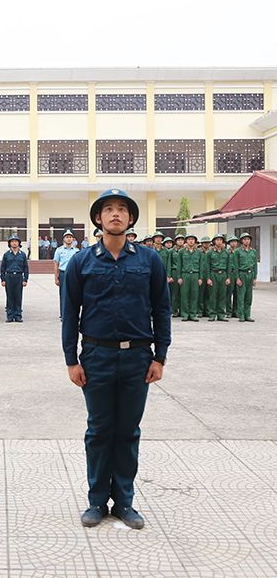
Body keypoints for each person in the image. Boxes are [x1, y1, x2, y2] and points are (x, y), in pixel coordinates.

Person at [62, 188, 171, 530]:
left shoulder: (149, 260)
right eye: (108, 209)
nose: (115, 214)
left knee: (127, 431)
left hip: (138, 357)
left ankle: (124, 502)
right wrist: (71, 360)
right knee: (98, 430)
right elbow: (70, 313)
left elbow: (162, 309)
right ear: (98, 218)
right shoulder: (81, 261)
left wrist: (160, 357)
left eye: (122, 209)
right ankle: (97, 501)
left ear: (131, 218)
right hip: (96, 356)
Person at [1, 235, 28, 322]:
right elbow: (3, 268)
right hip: (9, 276)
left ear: (19, 243)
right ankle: (10, 316)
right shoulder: (6, 254)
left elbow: (26, 268)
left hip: (19, 277)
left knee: (18, 296)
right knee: (10, 296)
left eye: (16, 241)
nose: (14, 243)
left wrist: (25, 279)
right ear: (10, 243)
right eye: (12, 241)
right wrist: (3, 279)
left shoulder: (22, 254)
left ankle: (18, 315)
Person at [54, 229, 79, 319]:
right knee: (63, 294)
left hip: (73, 274)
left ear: (73, 239)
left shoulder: (76, 251)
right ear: (64, 239)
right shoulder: (59, 250)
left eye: (70, 237)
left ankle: (73, 314)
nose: (69, 239)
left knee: (74, 294)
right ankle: (63, 314)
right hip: (63, 274)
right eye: (67, 237)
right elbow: (56, 265)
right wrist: (56, 278)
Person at [176, 234, 201, 322]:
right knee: (184, 295)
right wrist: (179, 277)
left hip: (195, 274)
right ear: (186, 241)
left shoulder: (198, 252)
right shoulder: (182, 252)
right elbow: (179, 265)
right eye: (189, 239)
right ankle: (185, 314)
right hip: (185, 275)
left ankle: (193, 314)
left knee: (194, 295)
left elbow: (201, 266)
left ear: (195, 241)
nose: (191, 241)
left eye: (192, 239)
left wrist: (200, 278)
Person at [234, 232, 257, 322]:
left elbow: (255, 265)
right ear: (242, 241)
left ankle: (247, 315)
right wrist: (237, 278)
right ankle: (241, 315)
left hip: (250, 274)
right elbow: (236, 266)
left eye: (248, 239)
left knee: (249, 296)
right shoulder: (238, 251)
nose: (247, 241)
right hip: (242, 274)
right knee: (241, 295)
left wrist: (254, 278)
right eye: (245, 239)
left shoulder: (253, 251)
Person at [226, 234, 239, 317]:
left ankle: (236, 311)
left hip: (237, 274)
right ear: (229, 243)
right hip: (230, 274)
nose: (233, 243)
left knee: (237, 294)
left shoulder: (239, 252)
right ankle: (229, 311)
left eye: (235, 241)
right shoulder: (226, 252)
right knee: (228, 294)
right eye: (232, 241)